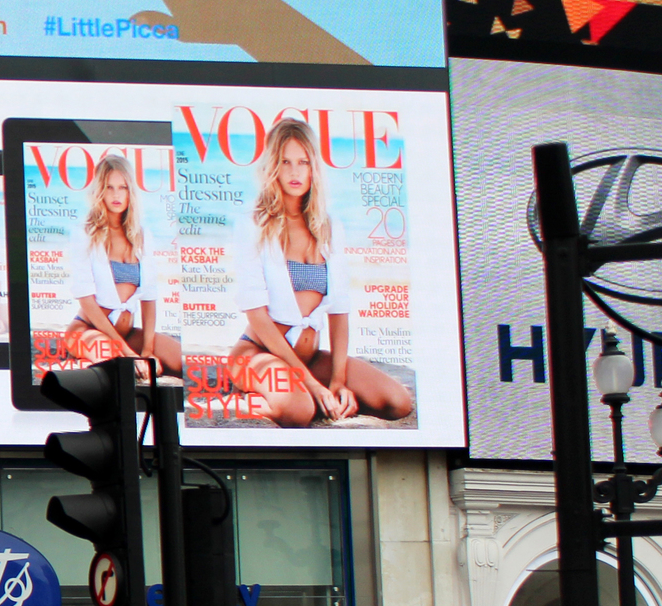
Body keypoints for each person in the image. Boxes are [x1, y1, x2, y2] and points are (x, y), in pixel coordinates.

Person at [228, 115, 413, 429]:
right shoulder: (252, 224)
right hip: (257, 354)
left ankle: (302, 389)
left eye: (303, 161)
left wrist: (338, 380)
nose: (295, 171)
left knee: (397, 402)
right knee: (299, 410)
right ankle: (246, 398)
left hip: (311, 357)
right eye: (285, 161)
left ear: (314, 166)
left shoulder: (328, 227)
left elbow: (339, 310)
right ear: (272, 166)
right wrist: (313, 385)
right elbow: (256, 314)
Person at [62, 150, 182, 377]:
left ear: (130, 192)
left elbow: (149, 296)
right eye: (109, 187)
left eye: (123, 187)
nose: (116, 194)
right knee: (124, 369)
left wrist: (146, 349)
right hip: (88, 330)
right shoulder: (85, 234)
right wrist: (126, 351)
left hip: (127, 334)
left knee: (179, 359)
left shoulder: (141, 235)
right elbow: (86, 300)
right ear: (100, 191)